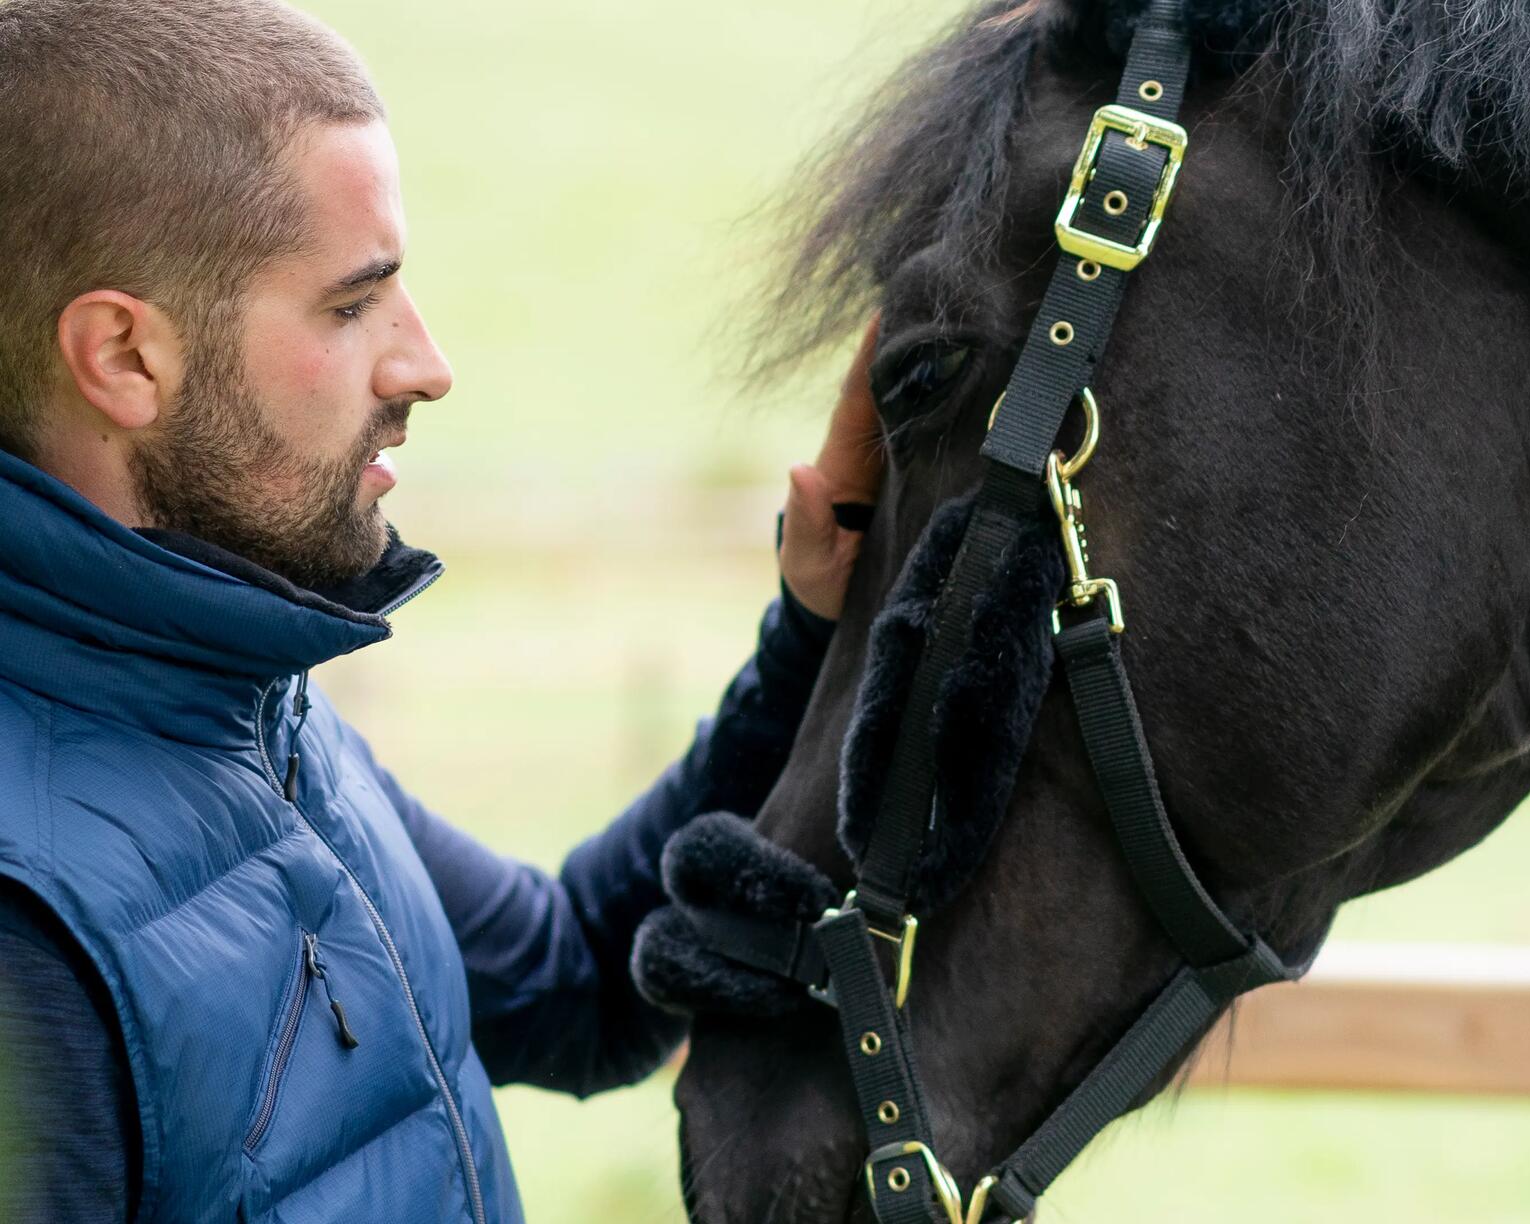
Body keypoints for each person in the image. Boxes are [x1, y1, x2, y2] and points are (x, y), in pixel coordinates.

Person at [0, 1, 883, 1220]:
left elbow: (574, 985)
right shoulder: (24, 930)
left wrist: (813, 627)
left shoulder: (242, 707)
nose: (426, 363)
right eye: (353, 304)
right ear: (125, 357)